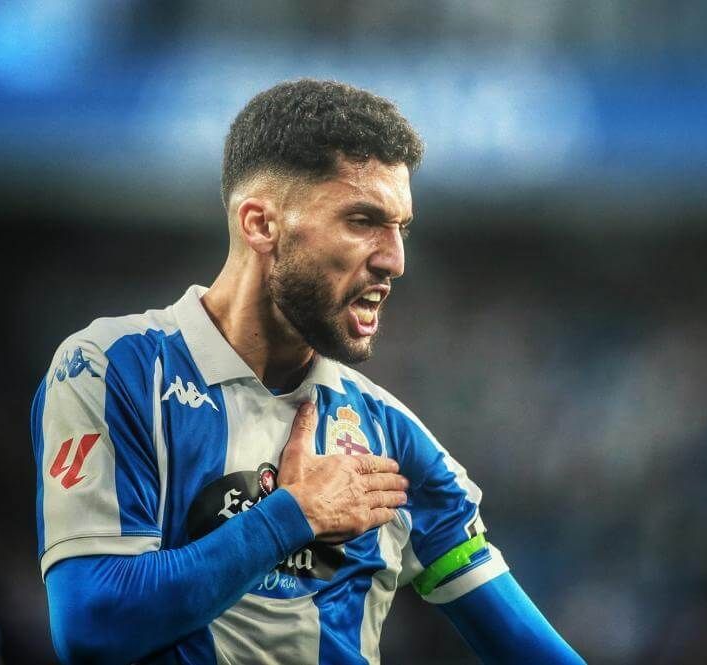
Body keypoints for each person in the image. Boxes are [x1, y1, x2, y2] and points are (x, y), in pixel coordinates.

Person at [31, 79, 584, 664]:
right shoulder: (113, 368)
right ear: (261, 224)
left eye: (401, 228)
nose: (394, 260)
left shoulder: (394, 440)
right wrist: (293, 516)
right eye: (363, 220)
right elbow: (92, 625)